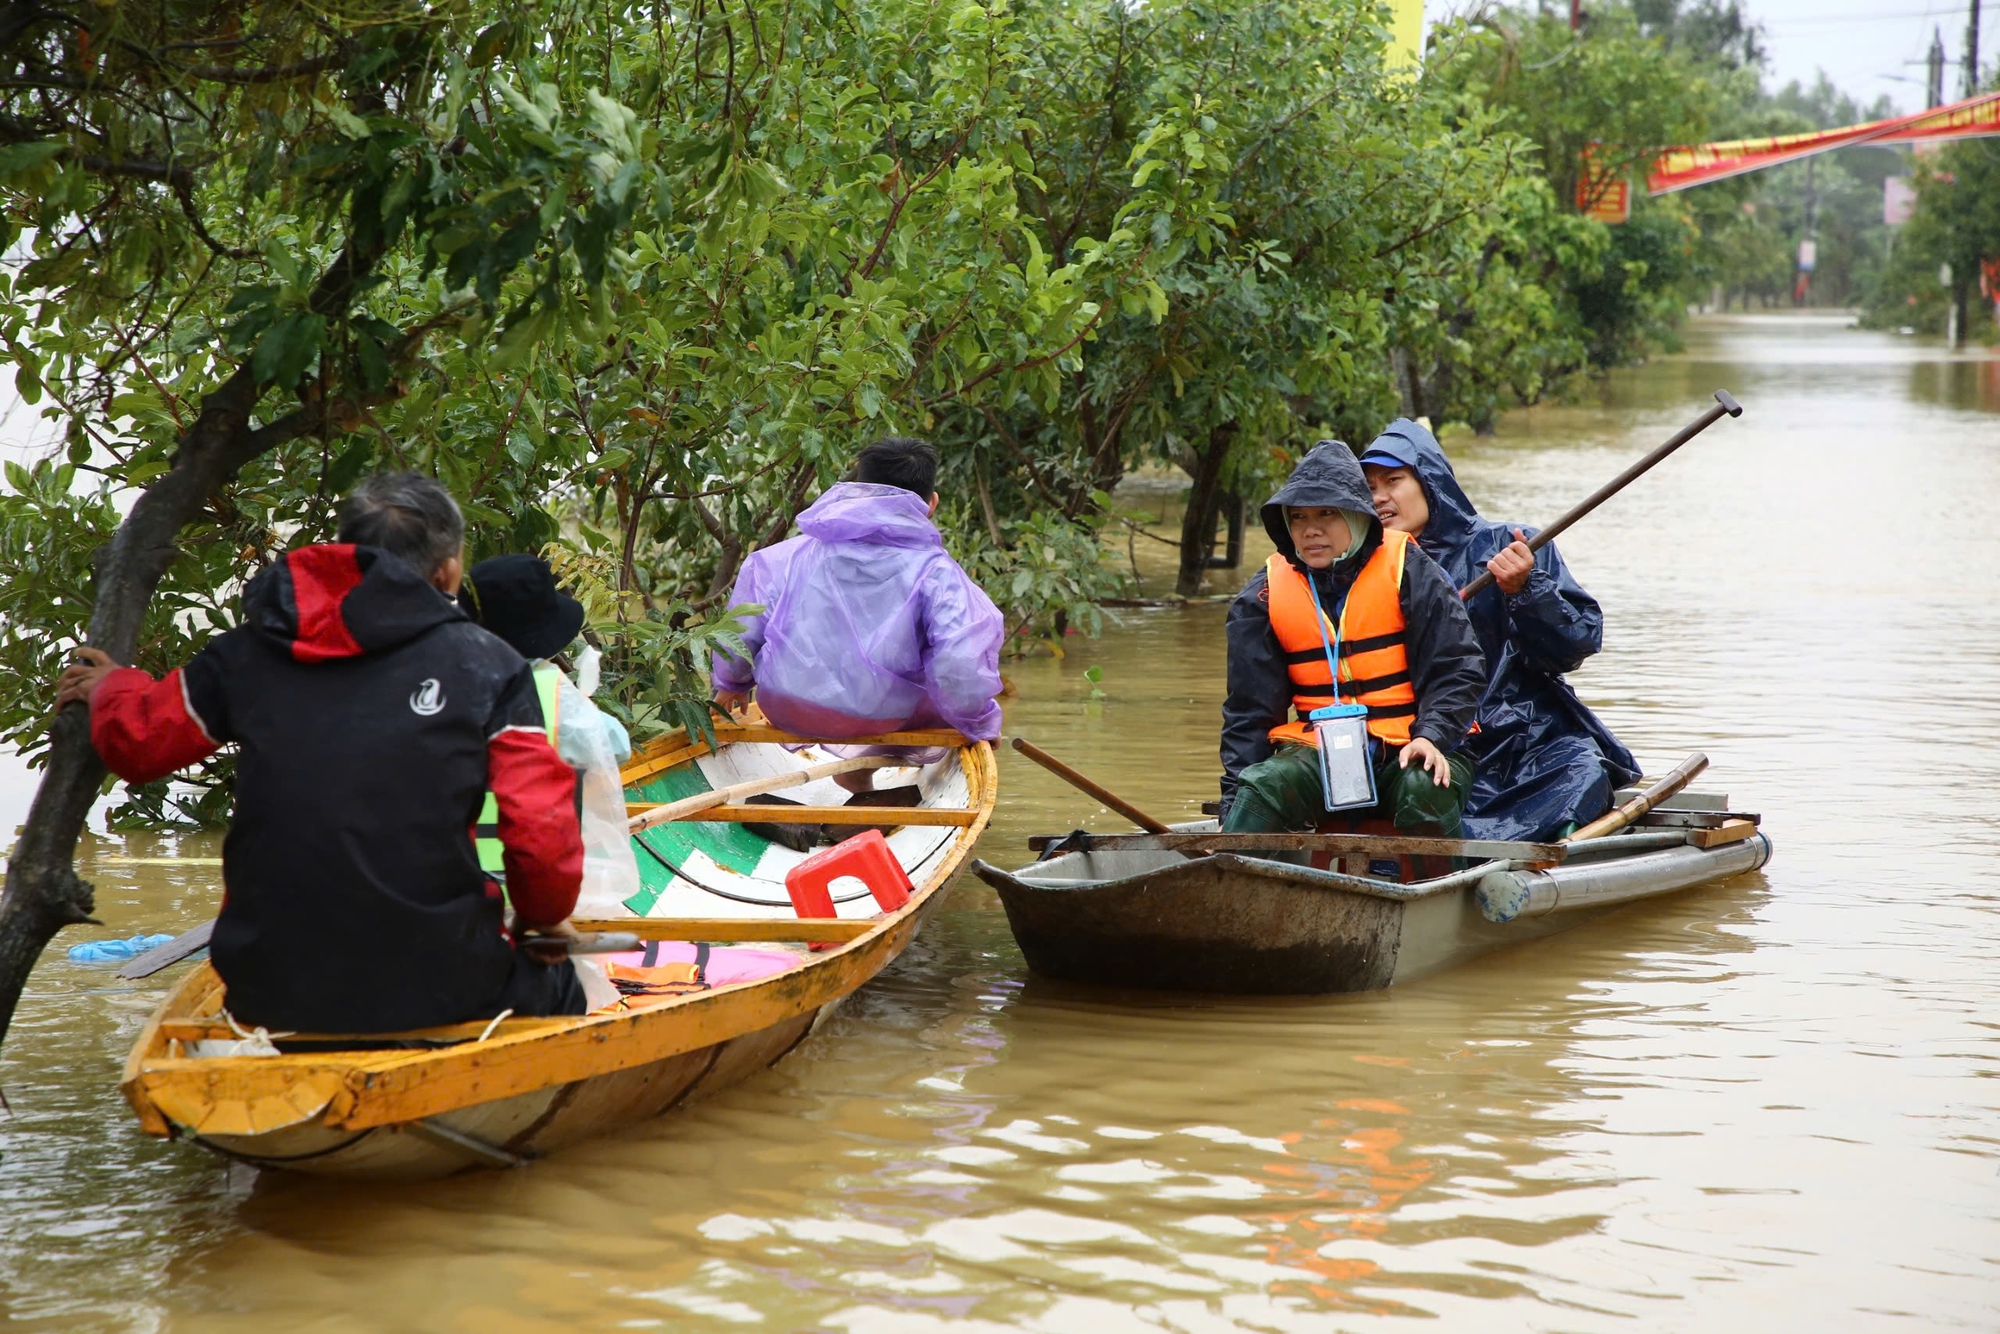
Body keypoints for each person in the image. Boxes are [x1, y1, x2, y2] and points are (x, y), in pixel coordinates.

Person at [54, 474, 589, 1032]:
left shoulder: (248, 651)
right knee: (558, 981)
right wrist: (540, 920)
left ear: (345, 551)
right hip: (444, 982)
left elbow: (139, 745)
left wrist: (115, 688)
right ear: (448, 571)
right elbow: (541, 838)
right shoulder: (489, 665)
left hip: (266, 989)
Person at [1358, 419, 1640, 842]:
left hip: (1524, 737)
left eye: (1393, 481)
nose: (1380, 497)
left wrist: (1527, 591)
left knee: (1581, 768)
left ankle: (1547, 854)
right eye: (1369, 487)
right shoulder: (1356, 567)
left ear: (1430, 481)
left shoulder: (1511, 544)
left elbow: (1576, 646)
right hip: (1420, 734)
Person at [1220, 441, 1487, 836]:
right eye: (1298, 517)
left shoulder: (1412, 570)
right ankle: (1232, 876)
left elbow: (1458, 670)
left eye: (1327, 513)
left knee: (1423, 785)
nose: (1310, 530)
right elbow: (1248, 712)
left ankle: (1438, 888)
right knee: (1265, 784)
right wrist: (1231, 805)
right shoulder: (1263, 594)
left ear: (1358, 516)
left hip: (1416, 744)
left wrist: (1431, 736)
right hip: (1319, 751)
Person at [711, 436, 1004, 786]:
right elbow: (960, 667)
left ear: (855, 492)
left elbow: (742, 626)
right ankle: (864, 766)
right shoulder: (937, 573)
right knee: (946, 701)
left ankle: (858, 773)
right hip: (883, 716)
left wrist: (731, 681)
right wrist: (981, 720)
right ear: (931, 504)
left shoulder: (785, 557)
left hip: (788, 707)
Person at [458, 552, 640, 915]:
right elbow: (616, 746)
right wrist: (584, 705)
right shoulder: (546, 689)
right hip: (527, 887)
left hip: (453, 881)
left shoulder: (439, 679)